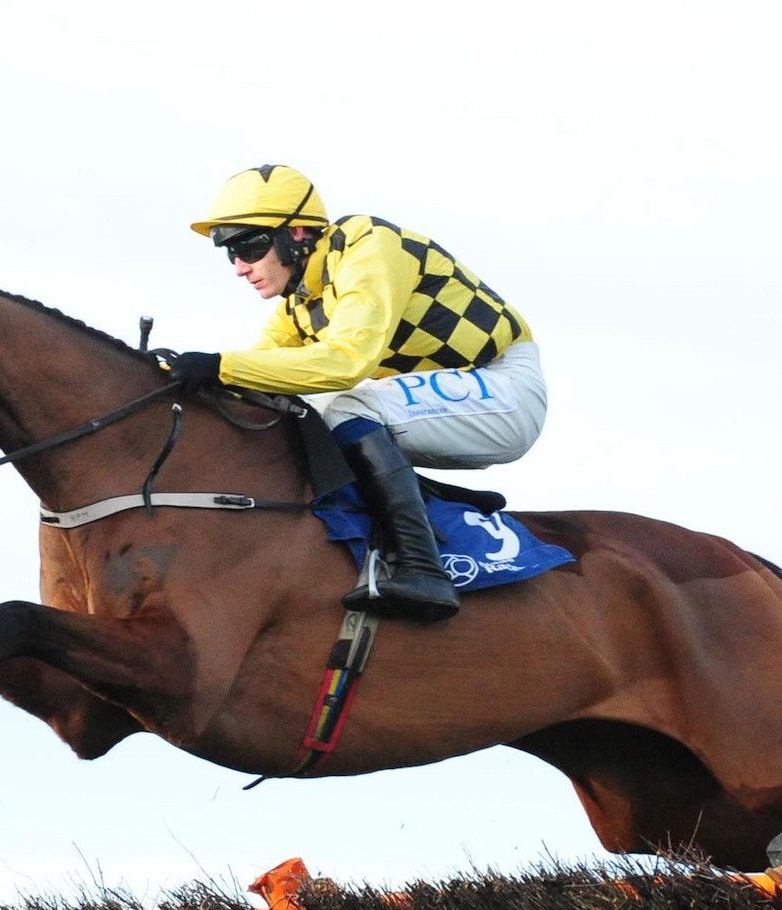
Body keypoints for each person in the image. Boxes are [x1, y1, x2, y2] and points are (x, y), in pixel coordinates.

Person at [168, 165, 546, 622]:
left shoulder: (368, 245)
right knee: (298, 407)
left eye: (248, 245)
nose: (239, 267)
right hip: (458, 400)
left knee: (346, 402)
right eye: (228, 251)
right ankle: (430, 501)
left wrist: (220, 366)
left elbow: (349, 362)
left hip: (506, 387)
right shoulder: (302, 302)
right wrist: (170, 378)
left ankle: (423, 570)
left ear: (299, 234)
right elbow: (255, 375)